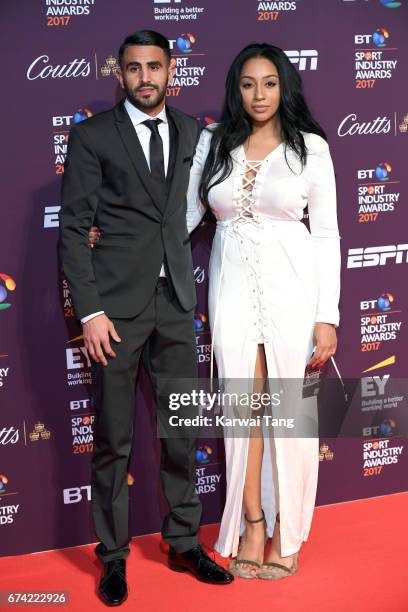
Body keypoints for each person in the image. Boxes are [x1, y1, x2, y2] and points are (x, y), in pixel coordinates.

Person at [59, 29, 233, 607]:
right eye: (134, 69)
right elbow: (71, 230)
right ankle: (112, 558)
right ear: (120, 73)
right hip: (114, 310)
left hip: (177, 305)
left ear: (171, 71)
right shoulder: (92, 136)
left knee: (182, 431)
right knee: (113, 439)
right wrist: (90, 311)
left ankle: (183, 541)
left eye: (155, 67)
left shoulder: (192, 132)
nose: (145, 78)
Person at [185, 43, 341, 579]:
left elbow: (325, 235)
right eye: (249, 84)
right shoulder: (214, 142)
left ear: (285, 86)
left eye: (269, 83)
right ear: (236, 88)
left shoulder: (311, 149)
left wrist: (328, 314)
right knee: (242, 410)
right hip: (230, 288)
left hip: (292, 287)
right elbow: (184, 215)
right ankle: (252, 520)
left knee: (286, 414)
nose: (259, 94)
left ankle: (287, 529)